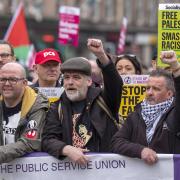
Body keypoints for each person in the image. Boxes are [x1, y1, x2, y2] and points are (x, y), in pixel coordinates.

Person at [42, 38, 123, 165]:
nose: (70, 82)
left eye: (76, 78)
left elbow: (115, 83)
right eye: (67, 78)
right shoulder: (56, 107)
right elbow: (47, 139)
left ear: (89, 81)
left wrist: (101, 55)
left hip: (106, 171)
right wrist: (66, 149)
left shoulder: (104, 100)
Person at [111, 50, 180, 165]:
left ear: (169, 94)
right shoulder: (137, 113)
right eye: (147, 88)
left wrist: (176, 67)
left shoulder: (175, 112)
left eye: (156, 89)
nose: (149, 93)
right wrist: (140, 150)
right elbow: (116, 142)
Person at [0, 62, 49, 164]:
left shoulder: (37, 104)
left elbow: (30, 142)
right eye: (3, 79)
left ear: (25, 83)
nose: (7, 84)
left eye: (13, 80)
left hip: (28, 171)